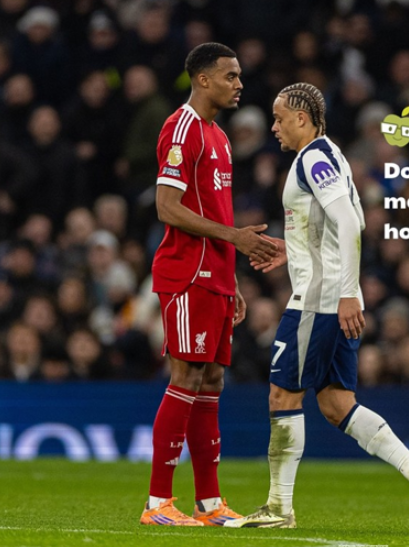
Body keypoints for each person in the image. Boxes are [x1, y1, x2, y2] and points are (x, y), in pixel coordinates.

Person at [225, 83, 409, 531]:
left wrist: (346, 292)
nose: (274, 127)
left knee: (282, 395)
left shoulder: (312, 158)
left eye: (280, 119)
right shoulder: (331, 155)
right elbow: (347, 218)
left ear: (302, 119)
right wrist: (295, 248)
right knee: (335, 403)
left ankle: (279, 508)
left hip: (320, 300)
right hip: (331, 295)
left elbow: (349, 221)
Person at [139, 42, 277, 527]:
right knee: (185, 376)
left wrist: (230, 274)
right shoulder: (181, 129)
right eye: (230, 76)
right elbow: (167, 207)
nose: (239, 84)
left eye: (239, 76)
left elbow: (214, 209)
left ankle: (209, 503)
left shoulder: (219, 136)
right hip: (186, 272)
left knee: (211, 381)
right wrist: (234, 238)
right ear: (203, 79)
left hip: (215, 274)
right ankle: (157, 503)